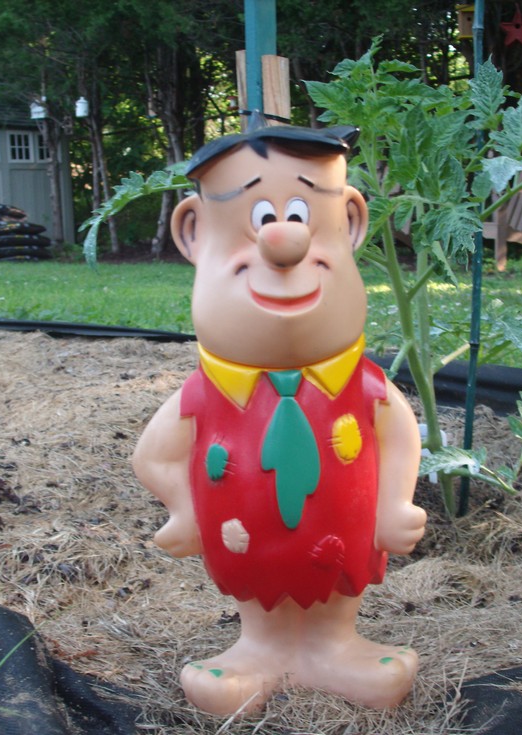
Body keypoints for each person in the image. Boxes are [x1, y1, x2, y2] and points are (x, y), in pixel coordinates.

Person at [132, 117, 426, 716]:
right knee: (260, 598)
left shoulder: (364, 387)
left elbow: (399, 438)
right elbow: (152, 457)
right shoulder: (206, 395)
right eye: (259, 218)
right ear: (193, 233)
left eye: (301, 213)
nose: (283, 243)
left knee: (337, 588)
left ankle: (335, 646)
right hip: (243, 546)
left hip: (342, 541)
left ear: (350, 220)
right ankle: (259, 650)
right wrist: (184, 509)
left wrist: (395, 503)